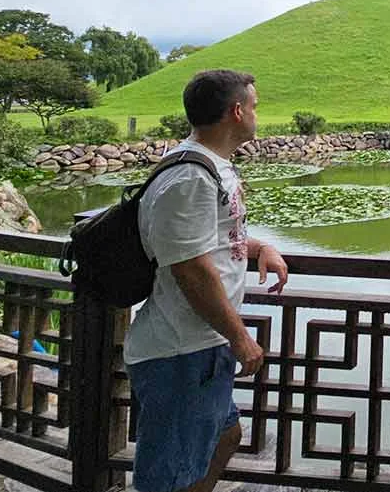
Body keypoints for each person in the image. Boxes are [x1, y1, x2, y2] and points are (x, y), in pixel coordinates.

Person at [123, 69, 289, 492]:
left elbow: (212, 239)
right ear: (237, 112)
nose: (257, 114)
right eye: (254, 106)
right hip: (180, 352)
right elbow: (190, 269)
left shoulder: (211, 168)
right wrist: (240, 338)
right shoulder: (190, 176)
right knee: (168, 479)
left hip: (201, 348)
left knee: (225, 438)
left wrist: (260, 248)